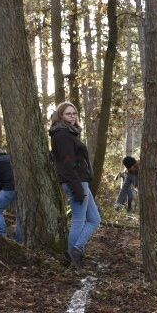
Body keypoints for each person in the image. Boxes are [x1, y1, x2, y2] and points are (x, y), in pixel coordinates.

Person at [47, 102, 101, 270]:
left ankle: (75, 250)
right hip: (75, 181)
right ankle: (72, 256)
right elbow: (67, 163)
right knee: (79, 219)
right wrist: (76, 187)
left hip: (80, 180)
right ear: (60, 116)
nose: (72, 116)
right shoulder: (62, 134)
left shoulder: (70, 133)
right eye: (68, 113)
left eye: (74, 113)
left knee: (94, 219)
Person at [0, 147, 22, 242]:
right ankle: (20, 241)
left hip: (8, 189)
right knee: (20, 213)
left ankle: (2, 237)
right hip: (21, 189)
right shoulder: (11, 158)